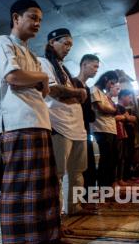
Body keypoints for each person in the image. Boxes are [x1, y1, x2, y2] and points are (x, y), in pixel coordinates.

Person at [0, 0, 61, 244]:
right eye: (32, 17)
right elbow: (14, 78)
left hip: (39, 120)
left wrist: (38, 79)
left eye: (40, 19)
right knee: (18, 186)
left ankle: (39, 236)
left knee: (42, 185)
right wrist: (39, 78)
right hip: (16, 120)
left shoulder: (31, 54)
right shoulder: (1, 43)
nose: (37, 23)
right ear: (16, 17)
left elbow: (44, 90)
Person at [38, 28, 88, 215]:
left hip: (76, 125)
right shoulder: (43, 62)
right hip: (58, 124)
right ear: (52, 42)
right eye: (65, 43)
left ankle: (74, 207)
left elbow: (66, 92)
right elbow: (53, 90)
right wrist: (78, 93)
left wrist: (74, 94)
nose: (68, 48)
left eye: (70, 45)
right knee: (57, 173)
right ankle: (54, 216)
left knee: (78, 171)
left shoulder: (63, 69)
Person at [72, 54, 99, 195]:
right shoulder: (73, 83)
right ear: (84, 65)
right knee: (77, 166)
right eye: (94, 66)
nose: (96, 70)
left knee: (88, 162)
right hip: (74, 128)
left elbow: (89, 114)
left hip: (85, 129)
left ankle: (89, 195)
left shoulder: (87, 88)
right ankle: (81, 197)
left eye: (97, 67)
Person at [90, 71, 119, 187]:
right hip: (101, 128)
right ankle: (103, 185)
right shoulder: (94, 89)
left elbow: (110, 107)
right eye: (111, 83)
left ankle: (110, 182)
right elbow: (101, 108)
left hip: (110, 128)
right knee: (106, 157)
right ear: (105, 78)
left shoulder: (102, 93)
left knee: (112, 157)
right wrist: (114, 111)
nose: (111, 86)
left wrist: (112, 110)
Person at [115, 89, 137, 183]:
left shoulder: (126, 108)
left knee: (129, 154)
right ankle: (122, 177)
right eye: (129, 97)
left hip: (129, 134)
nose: (131, 99)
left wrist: (129, 118)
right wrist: (128, 118)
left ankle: (127, 176)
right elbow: (123, 118)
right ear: (123, 96)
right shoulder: (117, 107)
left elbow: (134, 118)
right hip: (122, 134)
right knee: (124, 155)